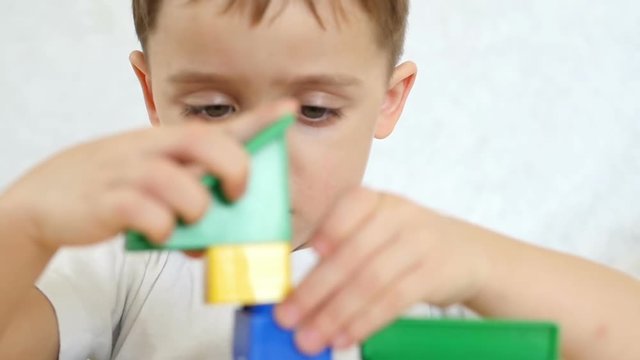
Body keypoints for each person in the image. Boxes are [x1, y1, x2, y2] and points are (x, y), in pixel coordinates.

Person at [1, 1, 639, 359]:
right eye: (214, 109)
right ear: (152, 94)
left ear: (388, 101)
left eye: (314, 112)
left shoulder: (413, 269)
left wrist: (487, 265)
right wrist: (22, 223)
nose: (257, 158)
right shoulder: (124, 269)